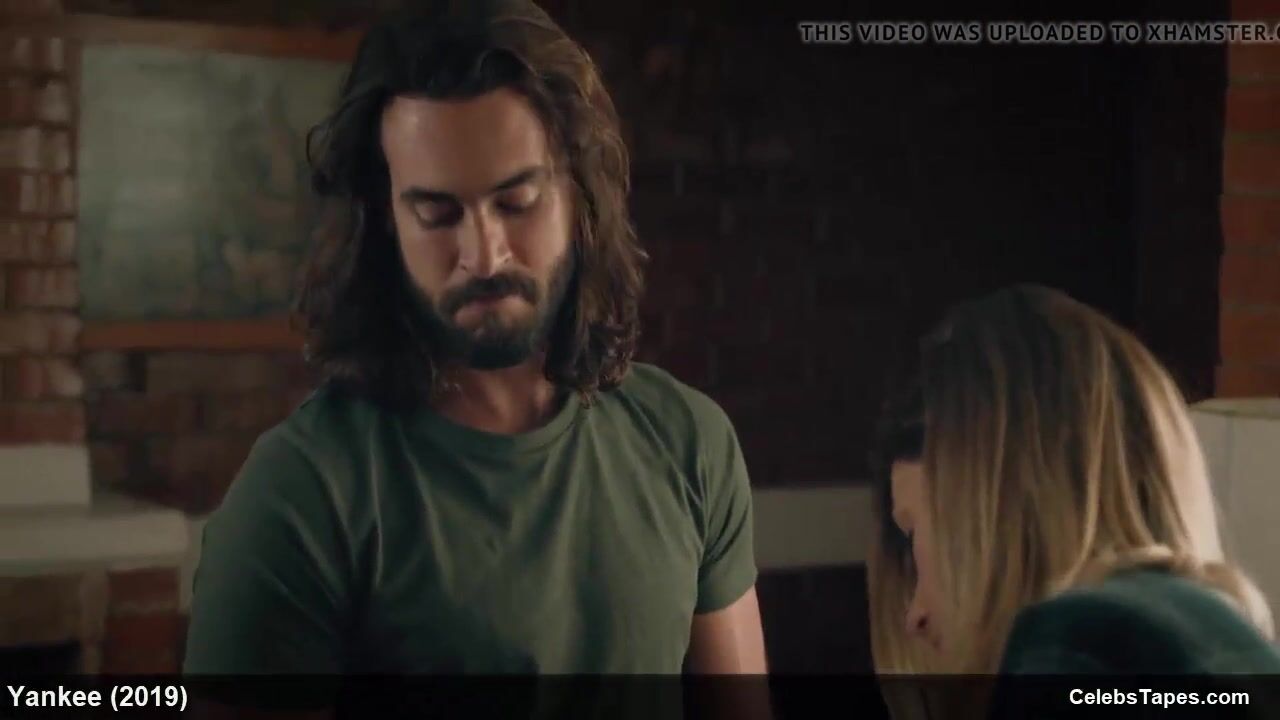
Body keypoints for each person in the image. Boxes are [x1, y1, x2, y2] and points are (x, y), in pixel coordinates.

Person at [183, 0, 766, 699]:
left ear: (578, 198)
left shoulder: (687, 441)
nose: (484, 256)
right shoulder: (302, 494)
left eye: (517, 203)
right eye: (437, 214)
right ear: (384, 221)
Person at [868, 285, 1279, 716]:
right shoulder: (1212, 632)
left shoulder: (1081, 641)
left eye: (913, 534)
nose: (915, 615)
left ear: (996, 505)